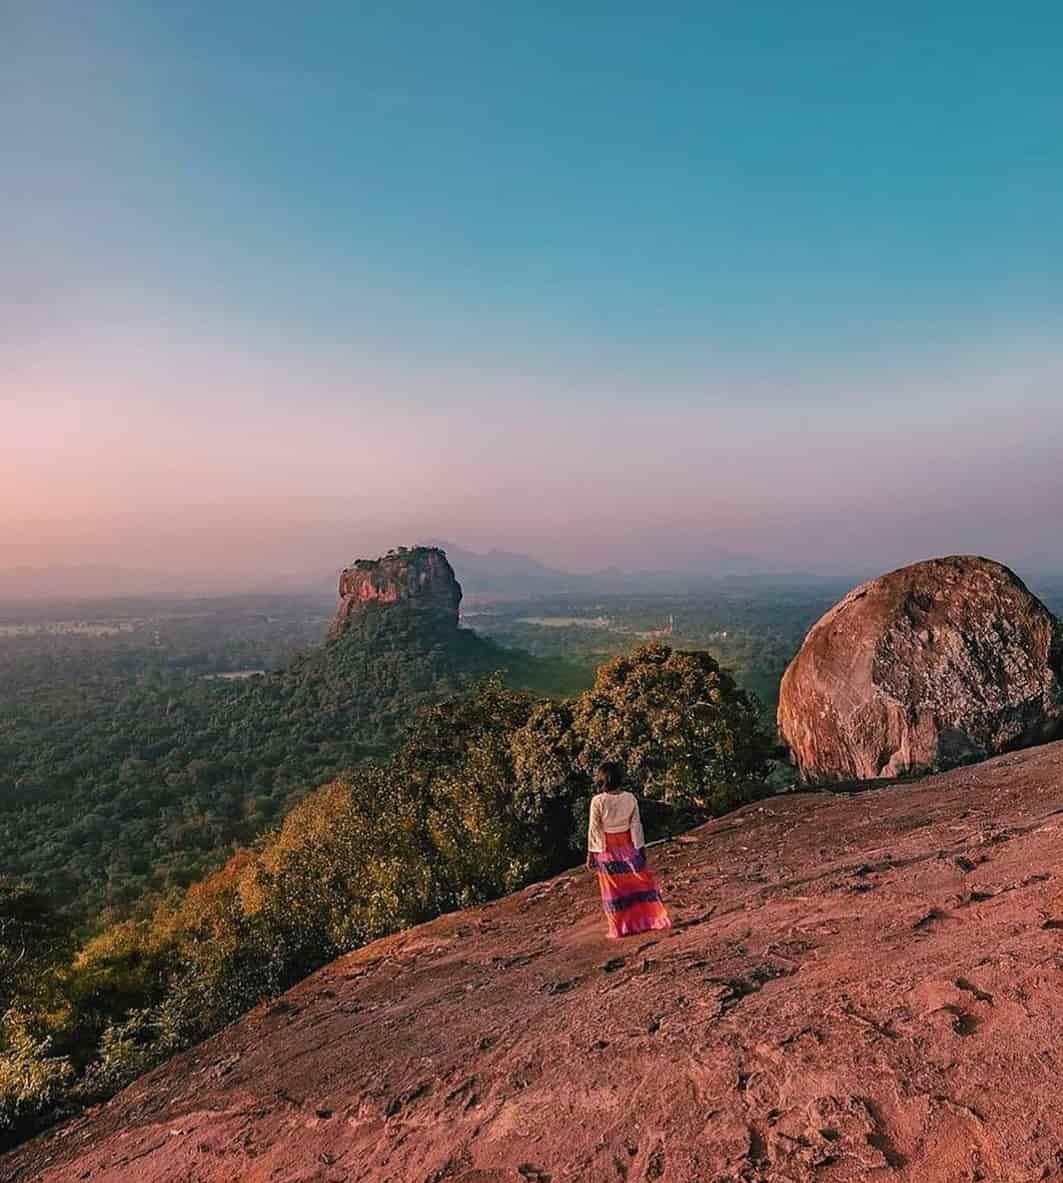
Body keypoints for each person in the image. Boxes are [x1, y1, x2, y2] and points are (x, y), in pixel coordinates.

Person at [586, 762, 671, 939]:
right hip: (627, 844)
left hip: (606, 847)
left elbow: (595, 828)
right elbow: (635, 824)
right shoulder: (630, 798)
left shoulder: (598, 801)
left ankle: (620, 927)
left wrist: (591, 854)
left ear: (602, 780)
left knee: (613, 889)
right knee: (637, 882)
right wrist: (640, 848)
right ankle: (647, 920)